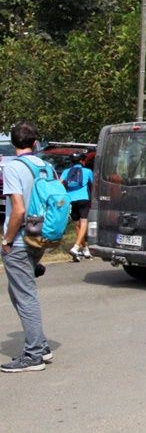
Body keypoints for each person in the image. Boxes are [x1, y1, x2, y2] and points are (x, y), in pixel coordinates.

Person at [1, 121, 54, 373]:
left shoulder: (13, 167)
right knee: (19, 293)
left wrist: (7, 240)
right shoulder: (46, 166)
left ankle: (34, 355)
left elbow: (18, 210)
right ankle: (41, 345)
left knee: (25, 296)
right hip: (39, 237)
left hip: (21, 240)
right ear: (35, 143)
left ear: (13, 143)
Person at [61, 152, 93, 261]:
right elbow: (93, 184)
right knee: (84, 223)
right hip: (83, 198)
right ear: (81, 161)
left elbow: (59, 184)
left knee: (77, 225)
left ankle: (85, 249)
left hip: (70, 199)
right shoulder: (87, 171)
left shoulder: (66, 172)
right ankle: (76, 247)